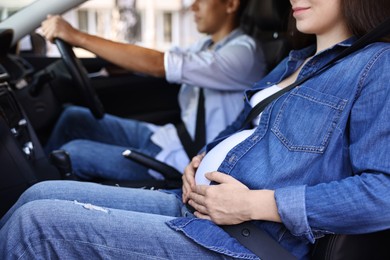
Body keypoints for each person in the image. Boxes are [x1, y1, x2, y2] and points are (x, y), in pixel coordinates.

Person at [1, 0, 390, 259]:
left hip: (245, 238)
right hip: (196, 203)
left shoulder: (377, 65)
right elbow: (245, 132)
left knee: (34, 226)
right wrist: (200, 160)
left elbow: (383, 193)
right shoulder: (297, 62)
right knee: (39, 193)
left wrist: (254, 204)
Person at [41, 0, 266, 182]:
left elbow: (160, 64)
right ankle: (34, 178)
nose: (193, 6)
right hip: (167, 137)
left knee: (73, 153)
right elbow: (155, 58)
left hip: (186, 159)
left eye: (201, 0)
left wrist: (77, 37)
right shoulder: (204, 46)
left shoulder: (244, 52)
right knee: (73, 117)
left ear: (230, 4)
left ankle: (34, 190)